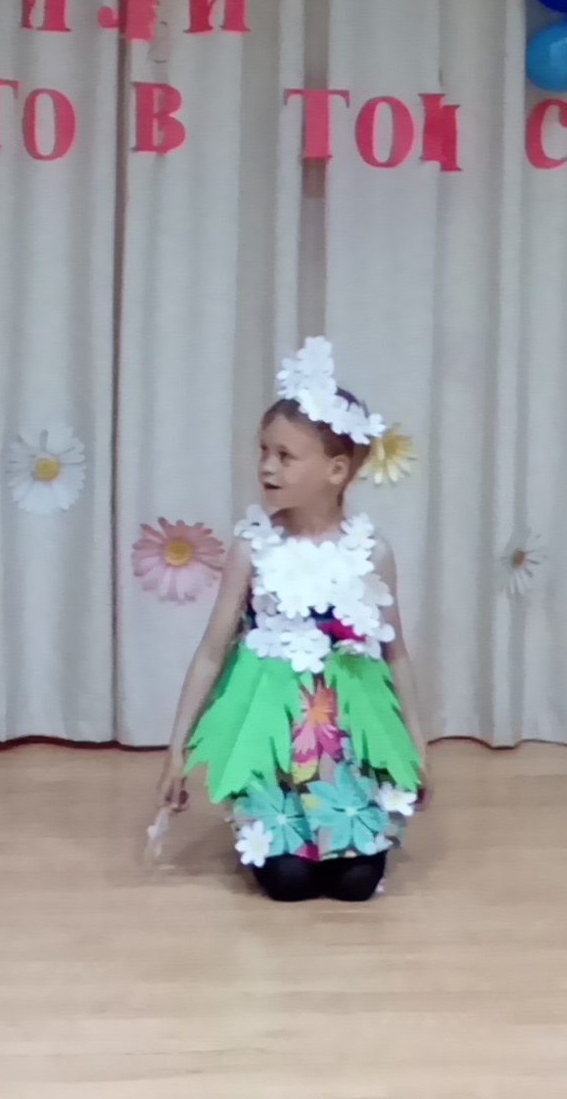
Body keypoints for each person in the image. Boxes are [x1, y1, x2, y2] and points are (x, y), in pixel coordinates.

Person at [155, 337, 430, 902]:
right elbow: (212, 651)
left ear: (336, 469)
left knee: (356, 885)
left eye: (285, 456)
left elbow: (395, 653)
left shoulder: (371, 552)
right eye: (264, 451)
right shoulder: (253, 547)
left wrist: (416, 749)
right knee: (286, 883)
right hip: (272, 729)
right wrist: (177, 748)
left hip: (343, 731)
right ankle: (269, 824)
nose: (267, 466)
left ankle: (347, 827)